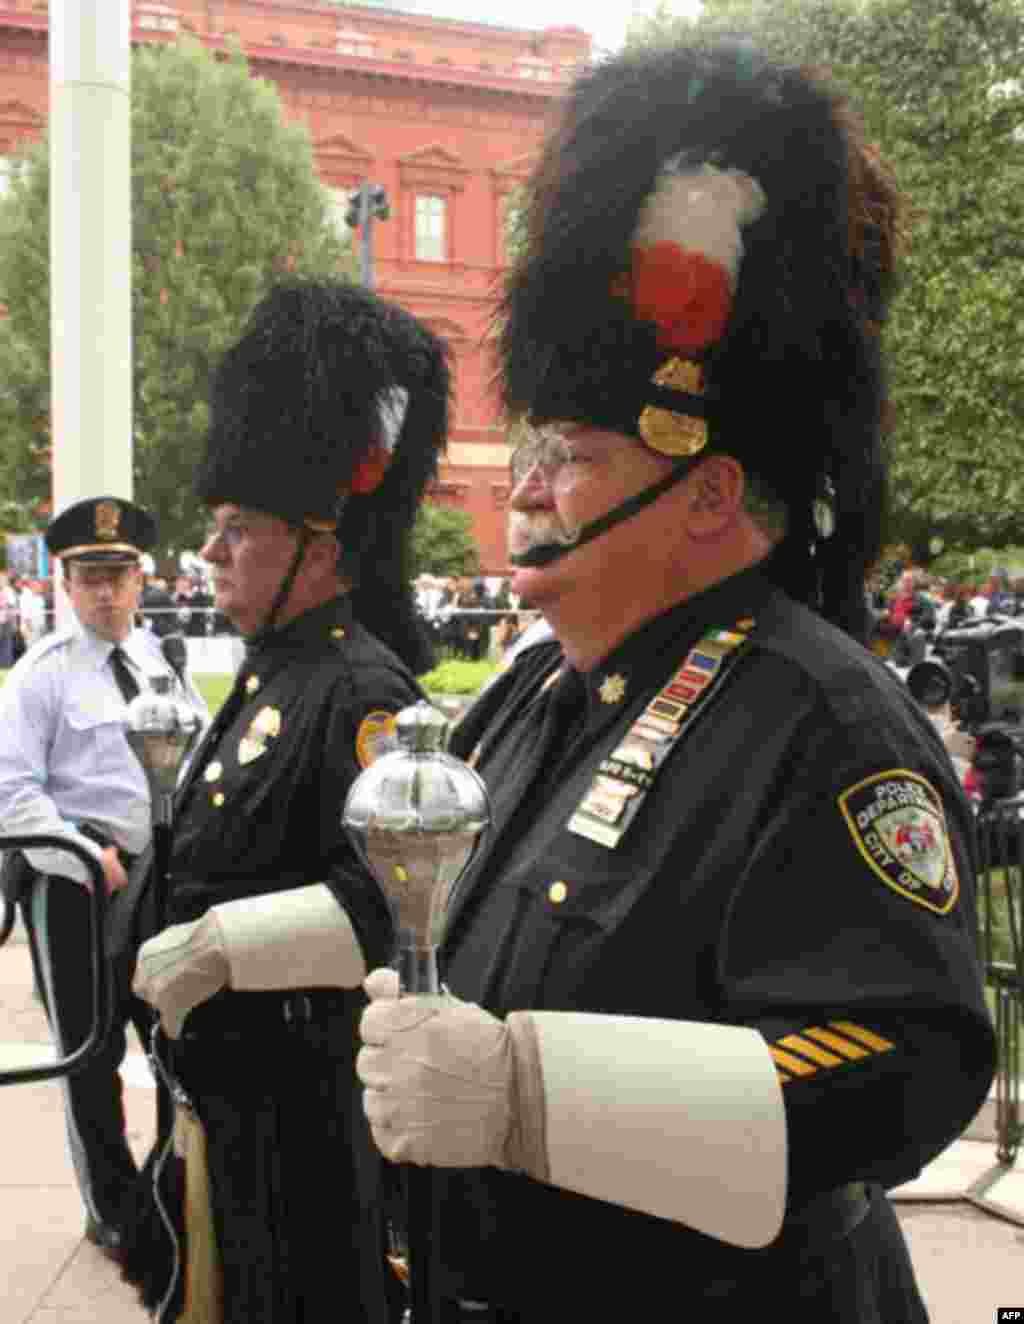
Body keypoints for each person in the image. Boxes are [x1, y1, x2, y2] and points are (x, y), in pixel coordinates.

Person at [353, 41, 997, 1321]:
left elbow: (902, 1057)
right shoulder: (539, 694)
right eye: (530, 450)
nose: (526, 488)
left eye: (572, 456)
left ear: (705, 492)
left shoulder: (820, 715)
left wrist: (531, 1092)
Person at [123, 278, 449, 1324]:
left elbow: (392, 900)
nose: (210, 555)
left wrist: (221, 942)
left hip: (304, 1101)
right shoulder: (272, 673)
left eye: (237, 532)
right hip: (226, 1088)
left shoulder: (361, 688)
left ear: (319, 542)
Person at [0, 496, 208, 1257]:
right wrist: (85, 854)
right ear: (65, 582)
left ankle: (164, 1188)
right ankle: (112, 1208)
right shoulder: (40, 677)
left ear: (140, 575)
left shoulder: (163, 663)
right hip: (75, 886)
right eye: (90, 578)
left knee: (166, 1036)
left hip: (159, 880)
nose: (107, 593)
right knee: (89, 1055)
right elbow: (12, 792)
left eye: (118, 575)